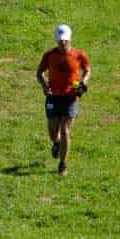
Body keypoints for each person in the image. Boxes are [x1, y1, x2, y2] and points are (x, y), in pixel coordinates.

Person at [36, 24, 90, 176]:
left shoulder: (79, 55)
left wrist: (83, 82)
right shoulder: (49, 55)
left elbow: (87, 69)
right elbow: (39, 73)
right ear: (56, 40)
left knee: (65, 130)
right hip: (53, 96)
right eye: (60, 40)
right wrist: (44, 85)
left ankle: (63, 164)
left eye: (65, 40)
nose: (62, 43)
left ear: (70, 38)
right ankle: (56, 143)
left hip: (71, 97)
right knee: (54, 132)